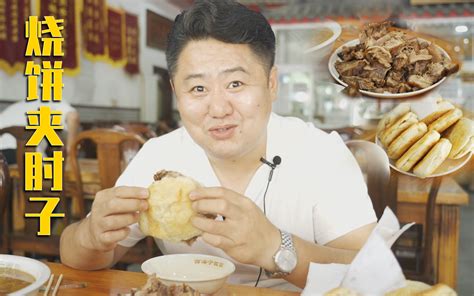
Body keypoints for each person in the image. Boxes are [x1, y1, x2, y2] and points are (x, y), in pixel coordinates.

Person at [60, 0, 377, 291]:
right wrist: (90, 236)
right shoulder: (158, 155)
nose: (218, 108)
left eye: (235, 84)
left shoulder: (321, 154)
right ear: (176, 92)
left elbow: (373, 275)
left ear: (271, 84)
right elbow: (78, 256)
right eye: (198, 88)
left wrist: (275, 247)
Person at [0, 99, 79, 165]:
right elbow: (73, 117)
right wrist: (70, 151)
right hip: (24, 153)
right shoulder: (56, 103)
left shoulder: (19, 105)